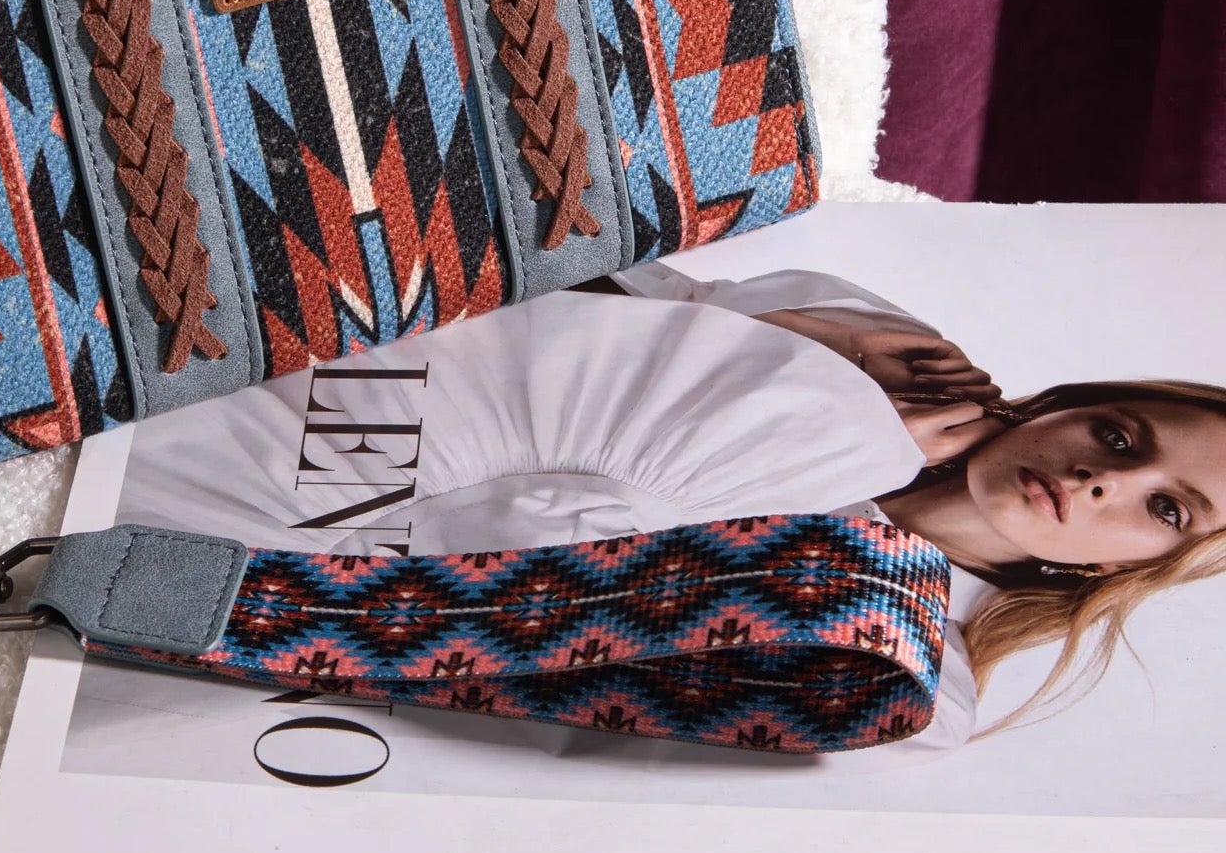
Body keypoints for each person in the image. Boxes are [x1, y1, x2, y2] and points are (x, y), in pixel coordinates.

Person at [119, 260, 1226, 755]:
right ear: (1077, 403)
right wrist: (805, 336)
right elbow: (502, 293)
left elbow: (489, 599)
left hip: (272, 622)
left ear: (1126, 569)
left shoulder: (907, 669)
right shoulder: (885, 345)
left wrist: (811, 420)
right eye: (1119, 436)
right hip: (271, 392)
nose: (1102, 480)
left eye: (1165, 509)